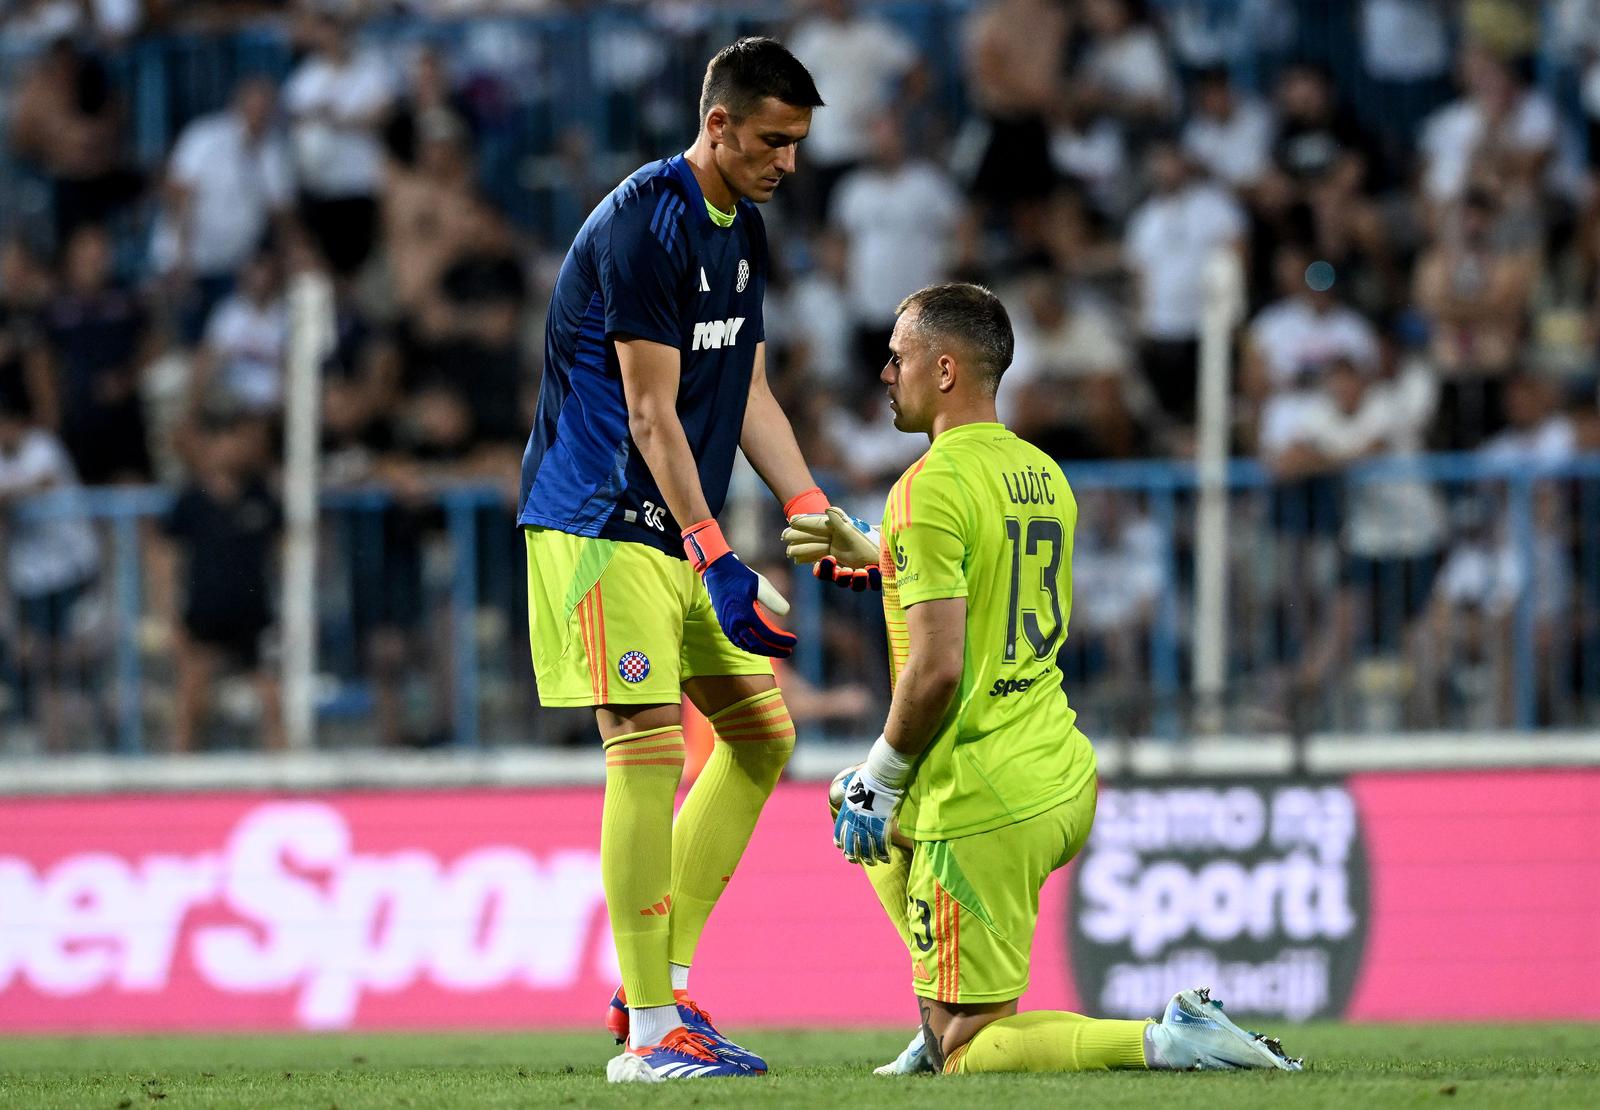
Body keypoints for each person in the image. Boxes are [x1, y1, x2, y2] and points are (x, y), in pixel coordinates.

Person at [783, 282, 1303, 1077]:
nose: (885, 373)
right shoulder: (1042, 474)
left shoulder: (925, 487)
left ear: (945, 369)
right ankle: (940, 1003)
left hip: (982, 795)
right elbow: (985, 583)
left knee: (970, 1052)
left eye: (898, 358)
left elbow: (938, 667)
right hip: (1056, 768)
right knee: (848, 800)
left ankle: (1166, 1038)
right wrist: (877, 555)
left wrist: (885, 776)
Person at [517, 38, 837, 1083]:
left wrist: (807, 505)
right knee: (646, 747)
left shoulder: (737, 229)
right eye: (773, 141)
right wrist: (717, 554)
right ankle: (651, 1034)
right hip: (602, 523)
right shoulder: (646, 223)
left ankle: (657, 984)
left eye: (797, 144)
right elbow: (653, 415)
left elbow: (738, 386)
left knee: (758, 737)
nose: (787, 162)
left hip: (672, 531)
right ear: (719, 126)